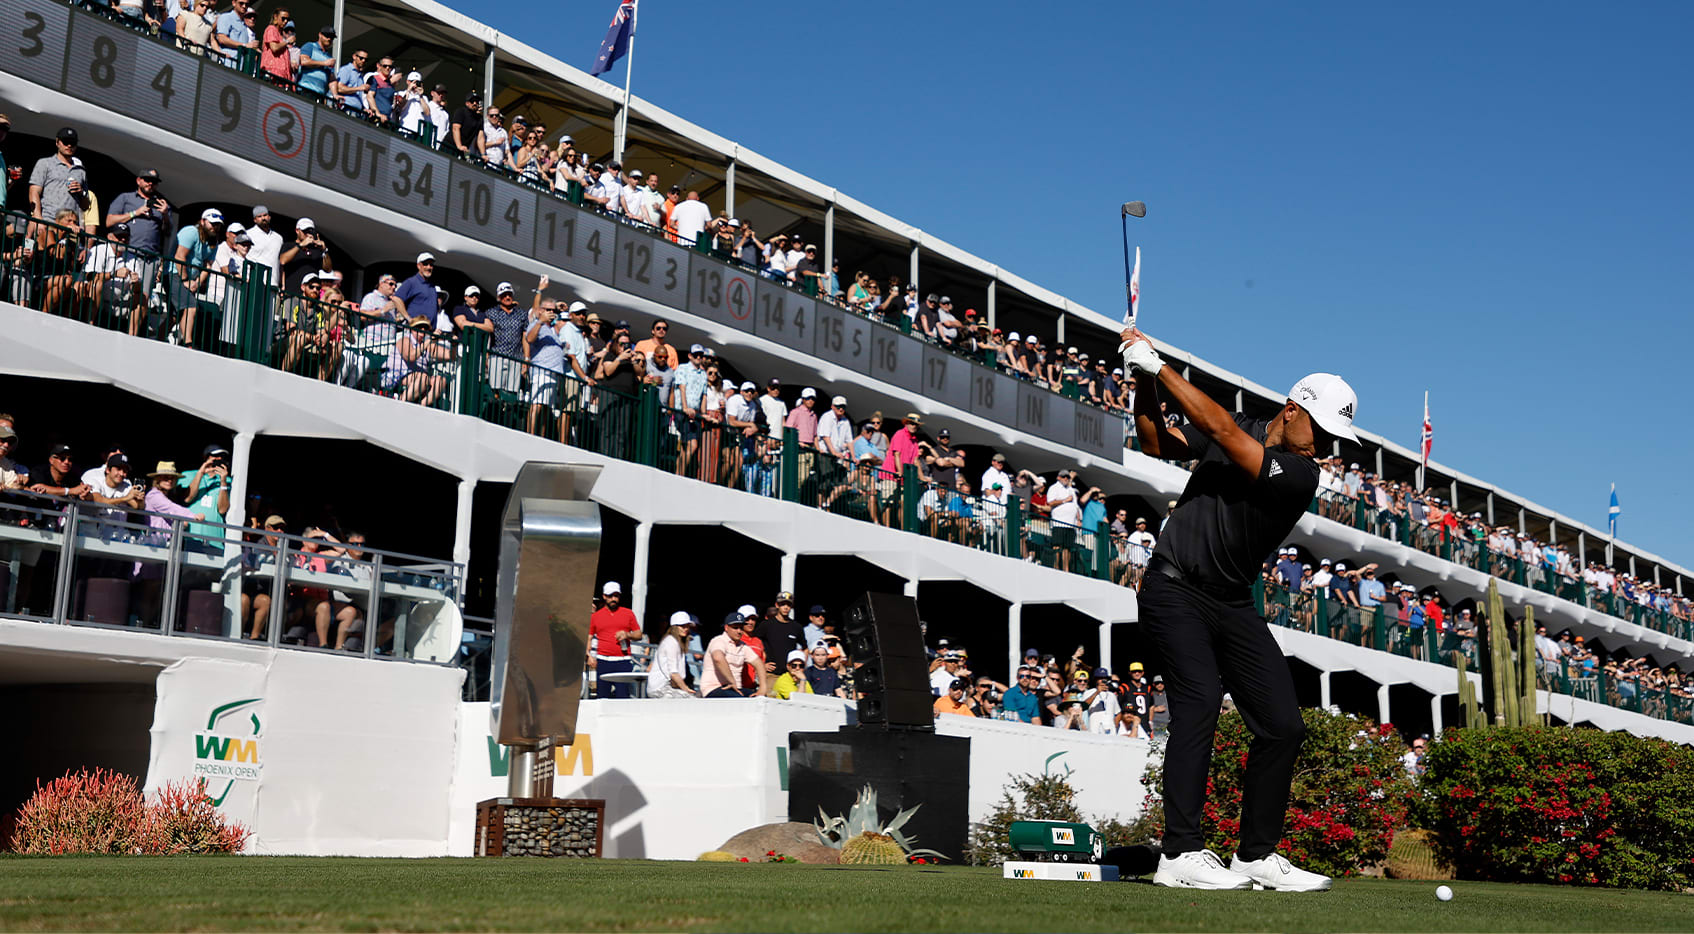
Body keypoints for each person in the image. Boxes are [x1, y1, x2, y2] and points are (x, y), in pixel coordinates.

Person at [1123, 325, 1353, 892]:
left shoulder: (1302, 474)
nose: (1324, 445)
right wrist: (1141, 380)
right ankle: (1179, 855)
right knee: (1199, 702)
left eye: (1332, 438)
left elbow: (1219, 428)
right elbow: (1156, 442)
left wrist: (1157, 365)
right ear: (1292, 410)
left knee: (1282, 726)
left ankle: (1254, 856)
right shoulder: (1246, 432)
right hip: (1173, 589)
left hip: (1230, 602)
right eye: (1321, 430)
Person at [589, 581, 643, 698]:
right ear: (604, 596)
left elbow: (639, 634)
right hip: (603, 660)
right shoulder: (595, 616)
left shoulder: (628, 613)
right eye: (610, 596)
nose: (613, 599)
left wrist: (627, 635)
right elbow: (588, 638)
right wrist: (589, 656)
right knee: (602, 697)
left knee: (622, 696)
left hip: (622, 661)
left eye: (616, 595)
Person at [699, 615, 762, 698]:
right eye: (735, 628)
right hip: (713, 688)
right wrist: (731, 681)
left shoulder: (743, 646)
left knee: (758, 698)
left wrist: (763, 688)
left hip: (735, 688)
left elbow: (758, 663)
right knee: (741, 701)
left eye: (741, 628)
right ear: (726, 628)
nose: (739, 631)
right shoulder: (718, 641)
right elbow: (718, 658)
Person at [647, 612, 697, 698]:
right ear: (674, 627)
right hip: (661, 688)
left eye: (687, 626)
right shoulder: (671, 642)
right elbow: (673, 673)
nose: (686, 629)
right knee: (691, 701)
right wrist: (685, 689)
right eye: (682, 626)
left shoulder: (675, 642)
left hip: (667, 687)